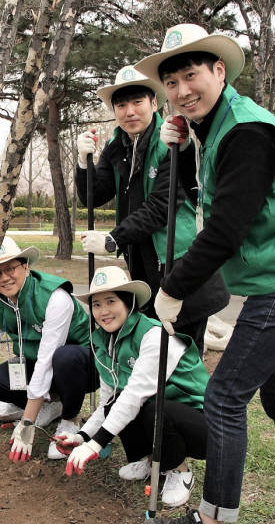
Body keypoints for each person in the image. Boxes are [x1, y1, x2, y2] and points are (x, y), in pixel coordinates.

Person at [131, 23, 275, 524]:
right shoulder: (219, 126)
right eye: (172, 83)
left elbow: (225, 229)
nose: (182, 90)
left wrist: (173, 288)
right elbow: (205, 193)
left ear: (218, 70)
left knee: (225, 397)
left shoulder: (246, 131)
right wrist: (177, 146)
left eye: (191, 75)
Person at [76, 64, 229, 354]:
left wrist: (113, 239)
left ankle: (190, 399)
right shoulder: (117, 144)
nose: (129, 111)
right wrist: (84, 163)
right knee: (154, 351)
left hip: (180, 262)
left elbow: (161, 206)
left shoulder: (172, 140)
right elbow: (93, 195)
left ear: (154, 103)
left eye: (137, 102)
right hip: (144, 266)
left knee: (182, 352)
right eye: (121, 105)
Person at [56, 266, 208, 507]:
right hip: (158, 413)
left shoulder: (154, 336)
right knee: (118, 402)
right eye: (96, 304)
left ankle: (179, 470)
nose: (103, 311)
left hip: (202, 423)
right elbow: (109, 402)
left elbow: (136, 394)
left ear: (129, 302)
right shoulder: (103, 342)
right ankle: (152, 460)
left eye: (111, 301)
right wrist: (82, 436)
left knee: (150, 407)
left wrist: (97, 444)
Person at [0, 236, 93, 461]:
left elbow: (48, 360)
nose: (4, 278)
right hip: (36, 361)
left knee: (65, 358)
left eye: (10, 268)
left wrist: (27, 423)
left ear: (26, 266)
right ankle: (52, 404)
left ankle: (70, 419)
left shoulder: (55, 298)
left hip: (80, 365)